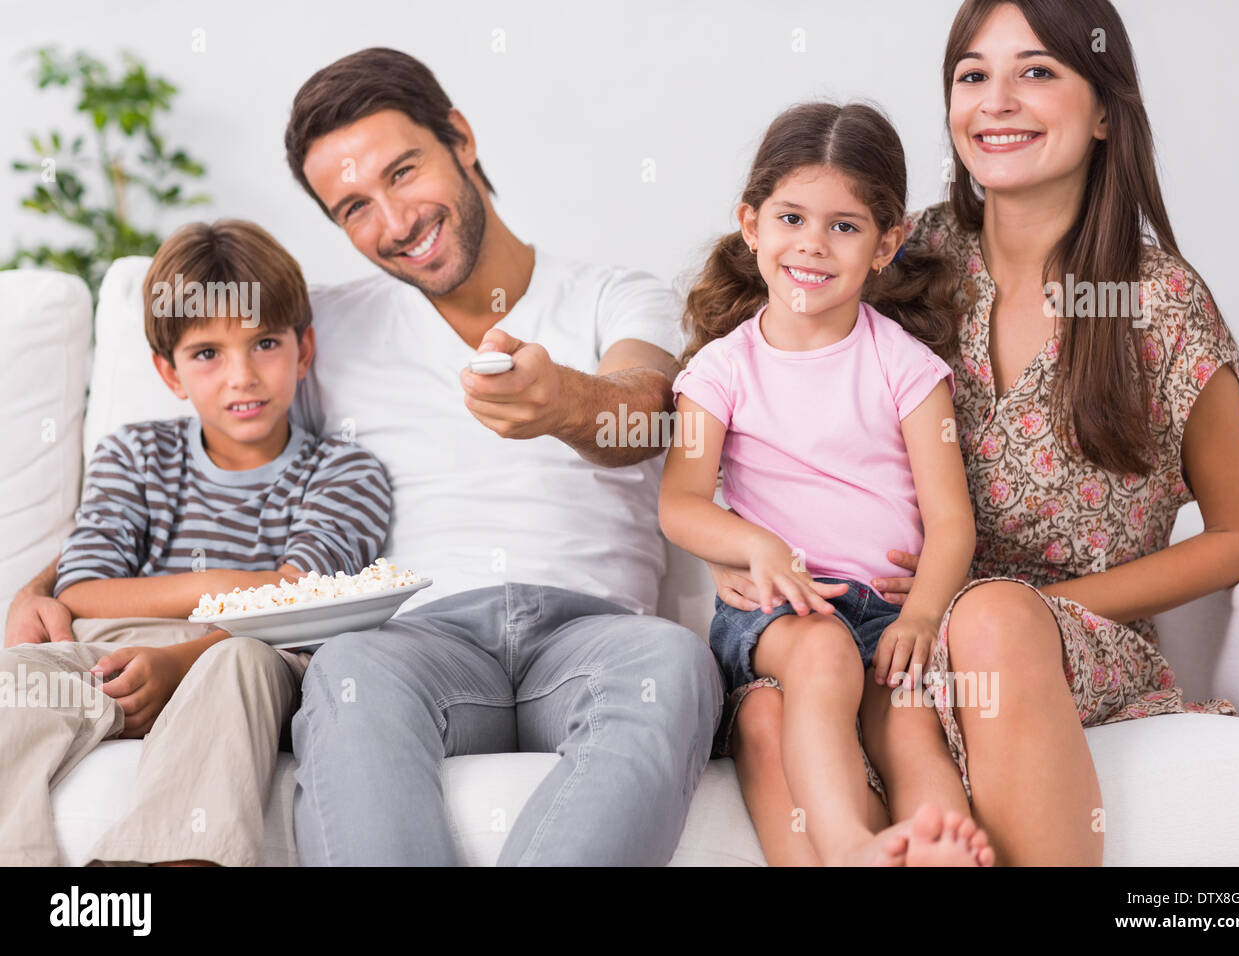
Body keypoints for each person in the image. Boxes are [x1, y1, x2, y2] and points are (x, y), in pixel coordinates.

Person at [713, 0, 1239, 865]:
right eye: (973, 75)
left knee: (991, 621)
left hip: (1062, 639)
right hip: (890, 632)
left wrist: (1035, 610)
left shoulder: (1158, 303)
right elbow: (754, 355)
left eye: (1038, 72)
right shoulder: (915, 255)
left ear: (1103, 112)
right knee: (769, 706)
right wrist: (730, 533)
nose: (997, 100)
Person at [279, 48, 722, 865]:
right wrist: (52, 581)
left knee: (674, 659)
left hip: (594, 632)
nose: (396, 221)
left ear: (461, 138)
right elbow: (216, 453)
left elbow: (650, 411)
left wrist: (564, 404)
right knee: (346, 670)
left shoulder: (613, 293)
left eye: (404, 171)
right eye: (354, 208)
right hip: (417, 642)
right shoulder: (321, 332)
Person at [660, 101, 995, 867]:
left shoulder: (905, 366)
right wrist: (756, 545)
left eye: (844, 226)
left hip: (884, 608)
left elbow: (951, 523)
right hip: (782, 610)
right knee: (822, 660)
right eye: (791, 218)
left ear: (888, 244)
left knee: (907, 720)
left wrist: (921, 616)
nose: (813, 244)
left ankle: (940, 843)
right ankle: (848, 845)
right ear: (752, 226)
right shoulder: (721, 370)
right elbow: (679, 503)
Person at [0, 219, 392, 866]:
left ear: (304, 349)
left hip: (255, 654)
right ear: (170, 372)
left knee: (235, 663)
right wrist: (221, 588)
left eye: (264, 343)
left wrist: (186, 654)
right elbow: (84, 591)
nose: (242, 376)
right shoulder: (135, 453)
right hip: (116, 654)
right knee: (17, 677)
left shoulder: (344, 472)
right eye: (207, 353)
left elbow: (298, 602)